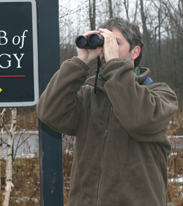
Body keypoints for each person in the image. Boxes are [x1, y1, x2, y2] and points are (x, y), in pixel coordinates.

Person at [36, 17, 178, 206]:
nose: (107, 49)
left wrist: (114, 66)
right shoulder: (89, 95)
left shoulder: (160, 95)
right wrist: (80, 62)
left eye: (115, 43)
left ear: (135, 52)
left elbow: (139, 120)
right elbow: (49, 112)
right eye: (104, 42)